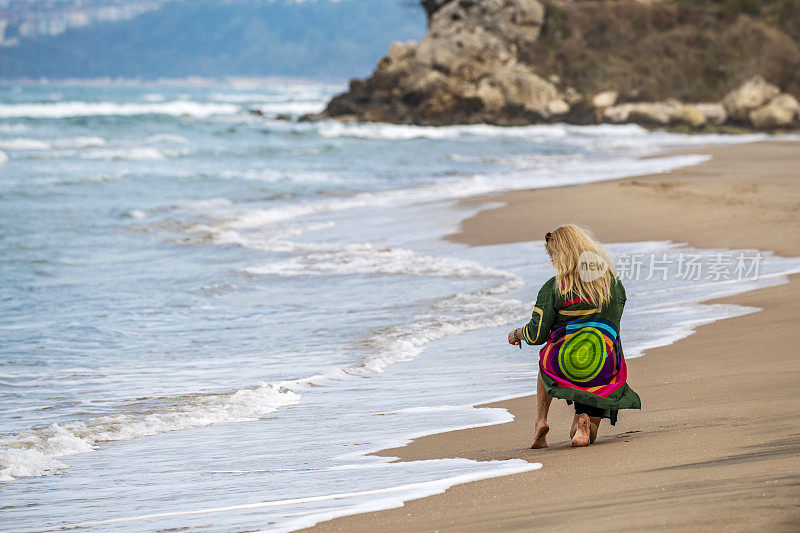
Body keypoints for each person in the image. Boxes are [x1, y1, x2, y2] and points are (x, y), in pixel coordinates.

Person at [508, 224, 640, 448]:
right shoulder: (611, 284)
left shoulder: (554, 288)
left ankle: (541, 420)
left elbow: (536, 334)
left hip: (565, 361)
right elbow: (613, 323)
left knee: (545, 360)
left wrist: (517, 334)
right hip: (601, 363)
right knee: (579, 433)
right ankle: (583, 424)